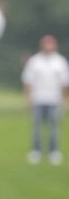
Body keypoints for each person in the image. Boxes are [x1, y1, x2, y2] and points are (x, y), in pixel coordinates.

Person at [21, 35, 69, 165]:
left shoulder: (60, 62)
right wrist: (27, 99)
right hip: (38, 99)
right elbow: (28, 81)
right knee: (36, 127)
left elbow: (65, 84)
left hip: (54, 100)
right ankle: (36, 150)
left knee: (54, 128)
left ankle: (54, 151)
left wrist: (65, 100)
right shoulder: (35, 61)